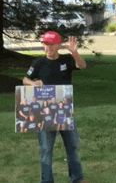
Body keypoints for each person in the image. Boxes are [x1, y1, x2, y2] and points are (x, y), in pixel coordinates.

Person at [23, 31, 87, 183]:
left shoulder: (67, 59)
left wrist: (75, 53)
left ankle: (77, 178)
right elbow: (26, 79)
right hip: (45, 111)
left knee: (72, 146)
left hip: (64, 109)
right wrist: (33, 84)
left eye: (52, 44)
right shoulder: (38, 63)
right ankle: (47, 180)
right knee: (46, 149)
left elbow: (82, 66)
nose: (48, 48)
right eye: (46, 44)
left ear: (59, 45)